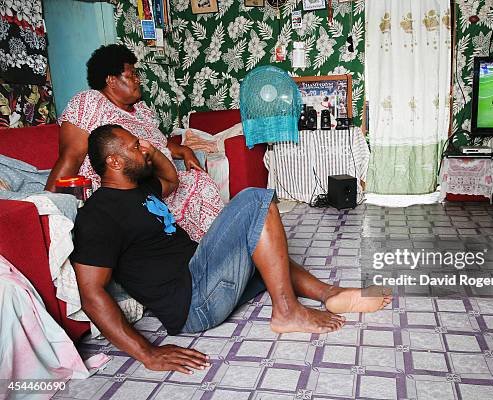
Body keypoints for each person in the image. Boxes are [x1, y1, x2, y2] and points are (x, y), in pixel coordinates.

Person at [71, 124, 392, 374]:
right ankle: (287, 311)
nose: (142, 146)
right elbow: (91, 293)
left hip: (201, 277)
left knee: (265, 248)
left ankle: (330, 294)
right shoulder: (99, 215)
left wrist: (152, 152)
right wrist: (148, 353)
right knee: (255, 200)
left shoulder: (138, 189)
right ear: (114, 161)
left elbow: (171, 180)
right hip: (191, 301)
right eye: (134, 146)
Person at [45, 44, 222, 241]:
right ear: (111, 80)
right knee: (195, 188)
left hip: (157, 182)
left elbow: (160, 144)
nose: (138, 80)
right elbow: (71, 155)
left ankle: (213, 249)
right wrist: (48, 206)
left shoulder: (142, 111)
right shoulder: (91, 102)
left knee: (199, 182)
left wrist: (183, 150)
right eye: (131, 75)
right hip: (121, 186)